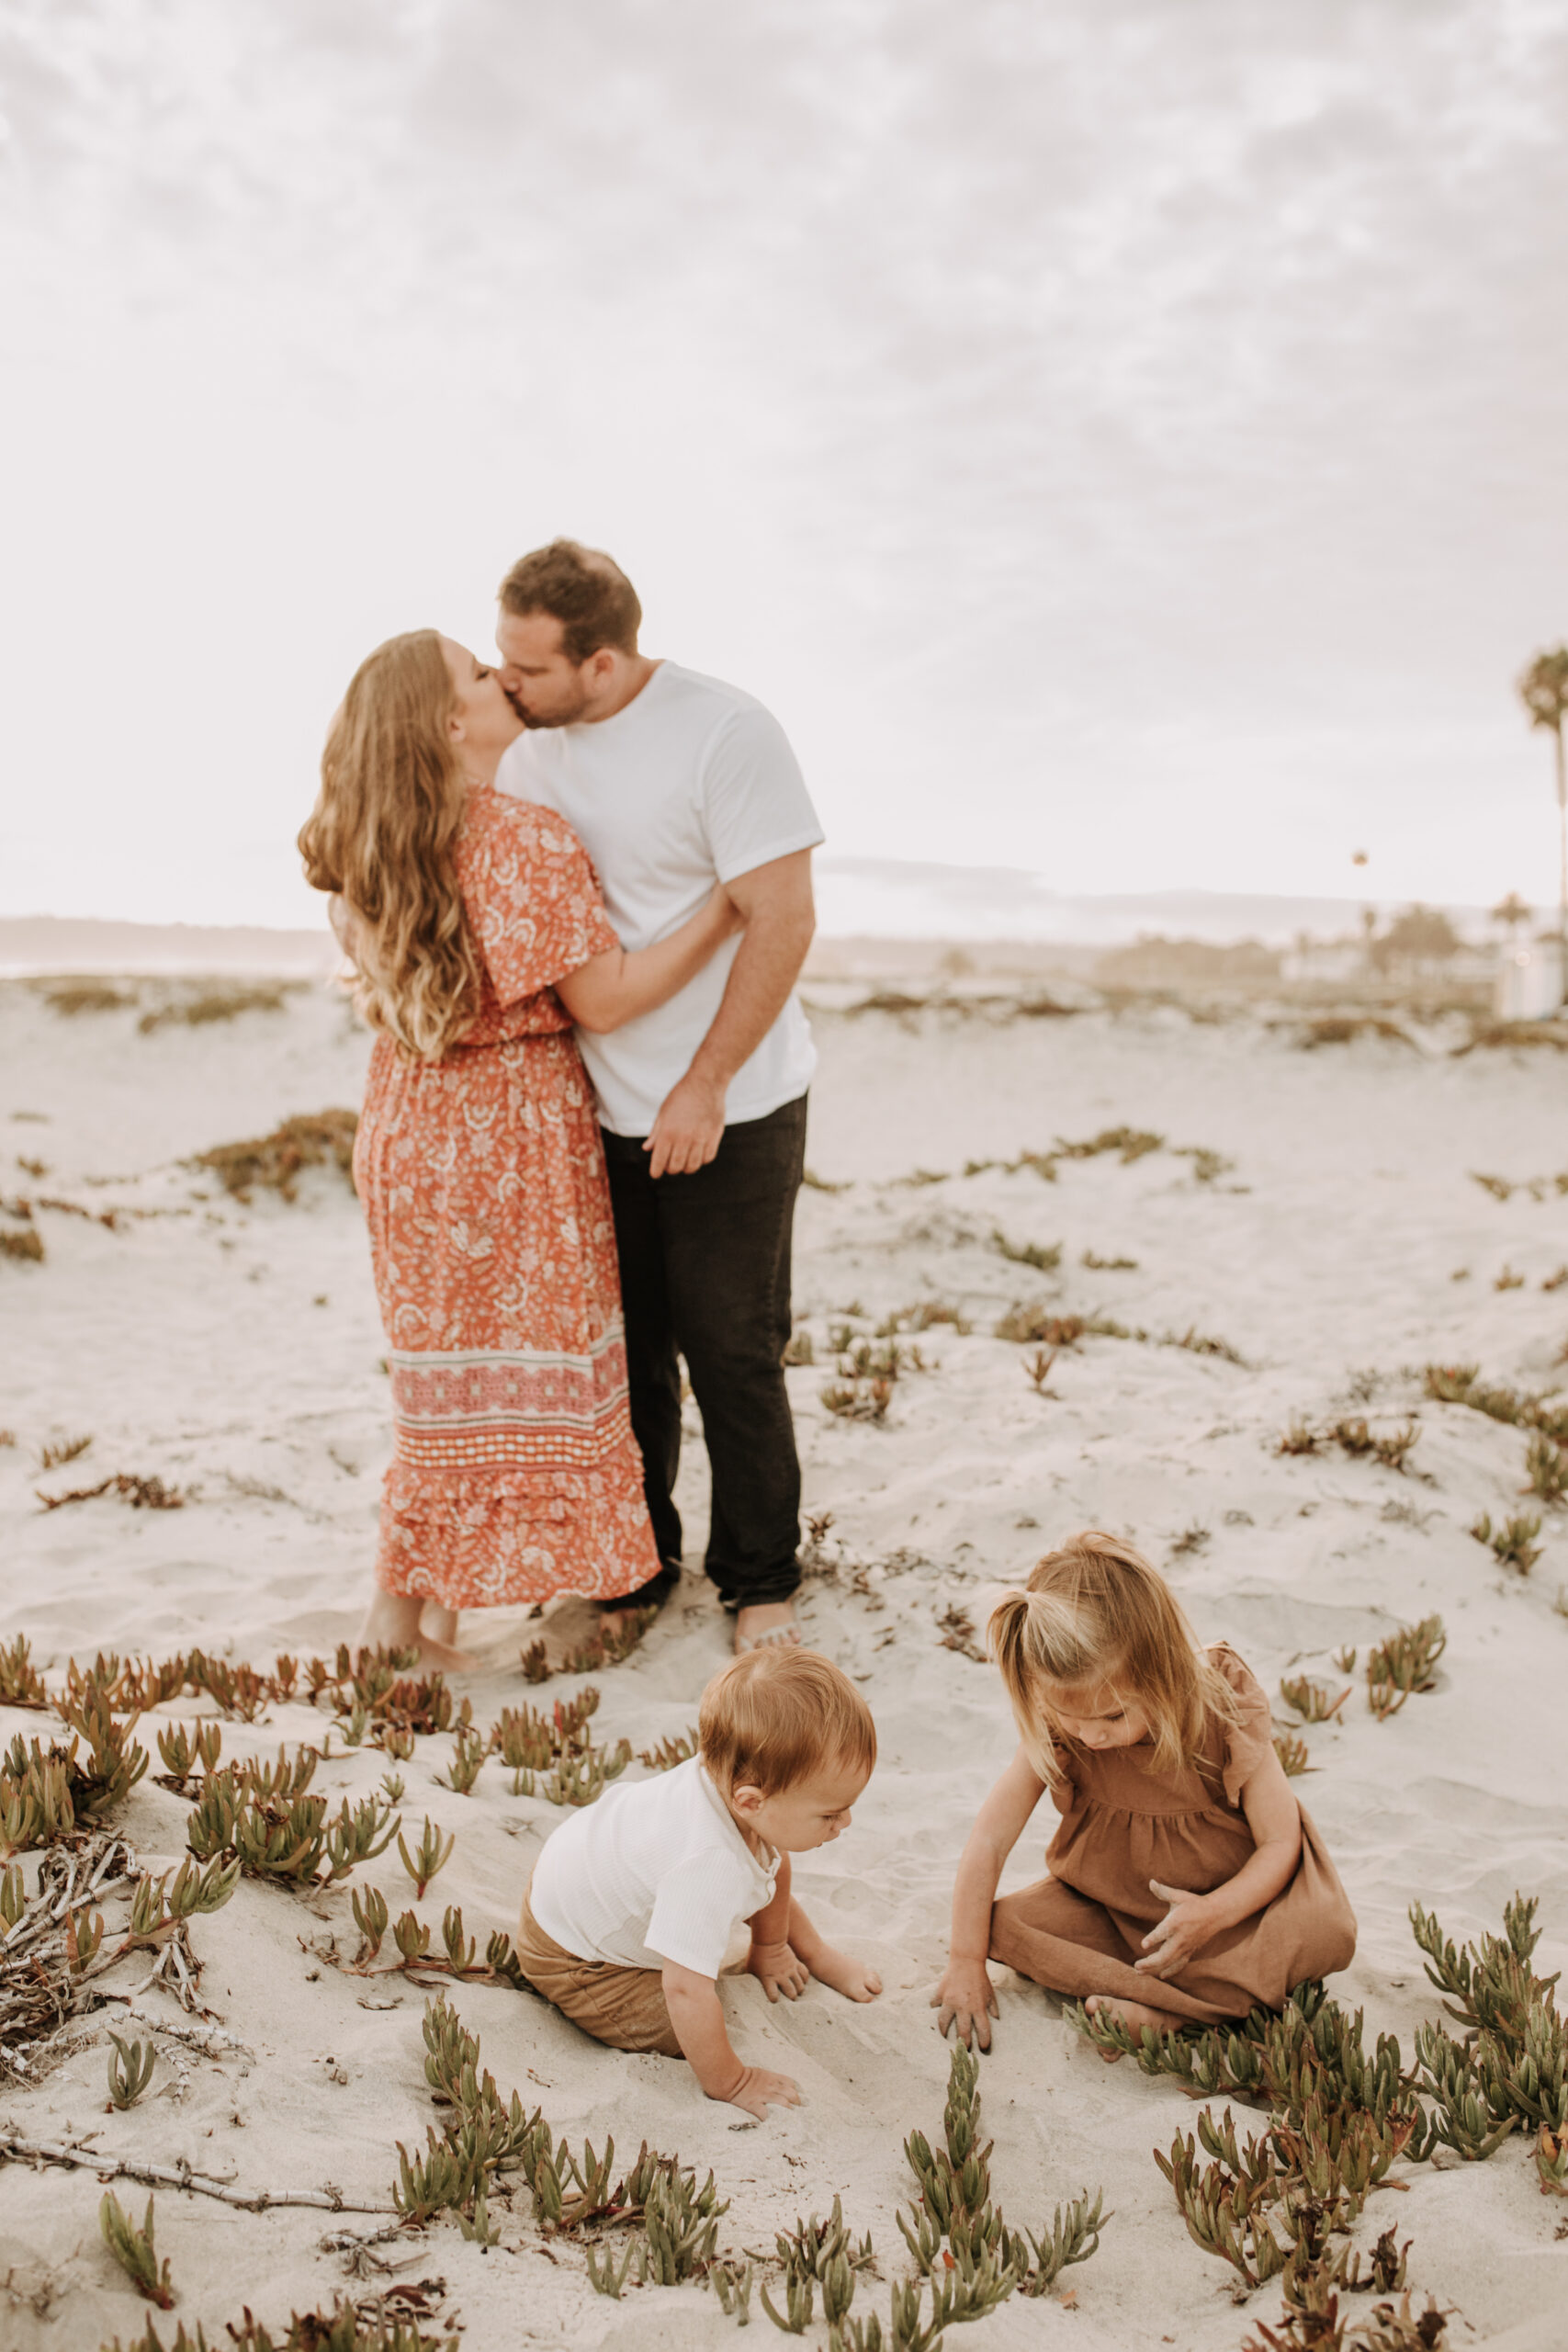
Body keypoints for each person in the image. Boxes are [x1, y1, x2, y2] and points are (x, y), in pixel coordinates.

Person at [298, 628, 741, 1668]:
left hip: (409, 1125)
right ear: (451, 723)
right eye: (473, 673)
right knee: (534, 1380)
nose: (498, 677)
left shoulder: (368, 850)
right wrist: (724, 910)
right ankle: (398, 1627)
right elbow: (610, 996)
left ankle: (417, 1619)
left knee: (442, 1386)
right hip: (513, 1134)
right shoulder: (521, 840)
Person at [493, 540, 821, 1656]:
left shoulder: (725, 732)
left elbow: (781, 917)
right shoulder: (525, 753)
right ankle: (635, 1573)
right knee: (628, 1355)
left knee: (733, 1347)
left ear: (601, 661)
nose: (506, 685)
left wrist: (705, 1084)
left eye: (528, 667)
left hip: (732, 1097)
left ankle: (759, 1579)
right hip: (592, 1107)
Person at [933, 1532, 1356, 2045]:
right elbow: (989, 1841)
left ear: (1163, 1672)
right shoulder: (1057, 1731)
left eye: (1112, 1715)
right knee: (1003, 1926)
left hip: (1235, 1911)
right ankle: (1199, 2010)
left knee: (1323, 1929)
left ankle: (1179, 2017)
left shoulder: (1222, 1709)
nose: (1090, 1734)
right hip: (1117, 1913)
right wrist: (964, 1961)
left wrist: (1213, 1913)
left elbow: (1280, 1844)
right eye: (1069, 1716)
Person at [513, 1647, 883, 2118]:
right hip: (578, 1960)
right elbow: (684, 1990)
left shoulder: (727, 1783)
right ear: (750, 1802)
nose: (845, 1822)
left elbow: (772, 1868)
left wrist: (773, 1949)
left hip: (568, 1882)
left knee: (767, 1859)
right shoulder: (707, 1864)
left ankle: (778, 1951)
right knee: (687, 2022)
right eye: (830, 1813)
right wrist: (733, 2081)